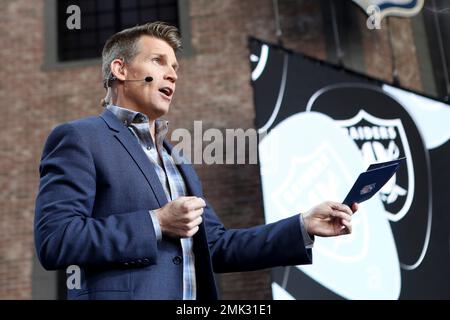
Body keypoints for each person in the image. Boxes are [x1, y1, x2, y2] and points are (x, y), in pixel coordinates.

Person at [35, 21, 357, 300]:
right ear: (120, 70)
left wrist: (302, 226)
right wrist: (157, 223)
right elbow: (56, 239)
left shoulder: (177, 160)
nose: (172, 75)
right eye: (158, 61)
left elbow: (216, 246)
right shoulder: (80, 139)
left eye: (175, 68)